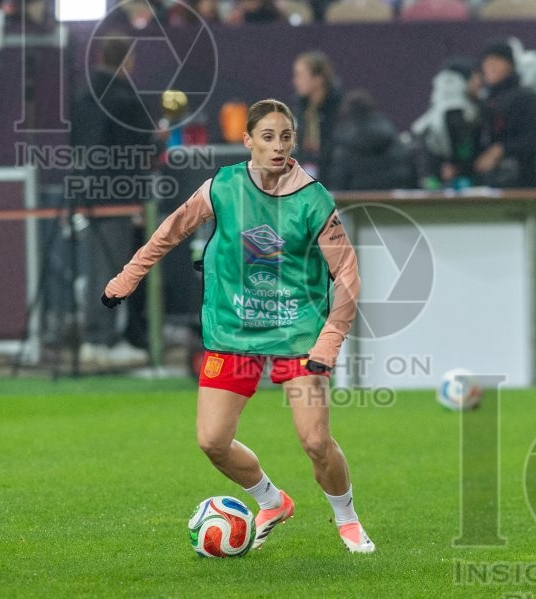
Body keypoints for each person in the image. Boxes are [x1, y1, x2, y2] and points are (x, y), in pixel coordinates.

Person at [101, 98, 375, 554]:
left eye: (286, 136)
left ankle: (346, 517)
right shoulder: (222, 187)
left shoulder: (312, 198)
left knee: (315, 441)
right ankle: (272, 501)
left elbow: (348, 275)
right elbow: (171, 230)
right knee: (212, 440)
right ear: (247, 141)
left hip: (297, 334)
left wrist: (329, 340)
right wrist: (128, 276)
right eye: (267, 137)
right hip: (233, 330)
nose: (278, 146)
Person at [71, 35, 156, 367]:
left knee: (96, 267)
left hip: (88, 191)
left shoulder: (81, 94)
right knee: (113, 269)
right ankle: (102, 340)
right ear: (128, 61)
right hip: (118, 195)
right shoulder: (125, 98)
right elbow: (142, 145)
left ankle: (95, 340)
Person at [474, 40, 536, 188]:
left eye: (496, 61)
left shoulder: (525, 97)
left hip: (521, 184)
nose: (490, 66)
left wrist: (502, 149)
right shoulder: (485, 100)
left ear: (510, 65)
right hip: (488, 186)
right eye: (487, 62)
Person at [410, 56, 482, 189]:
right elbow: (463, 152)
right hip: (458, 185)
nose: (479, 82)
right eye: (474, 77)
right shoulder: (459, 115)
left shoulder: (432, 116)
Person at [326, 88, 416, 191]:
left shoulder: (342, 148)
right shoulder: (395, 142)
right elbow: (409, 180)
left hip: (357, 206)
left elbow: (337, 188)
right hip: (394, 206)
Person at [291, 51, 343, 181]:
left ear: (318, 79)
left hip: (333, 177)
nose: (296, 82)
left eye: (300, 76)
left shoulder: (339, 108)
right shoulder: (301, 107)